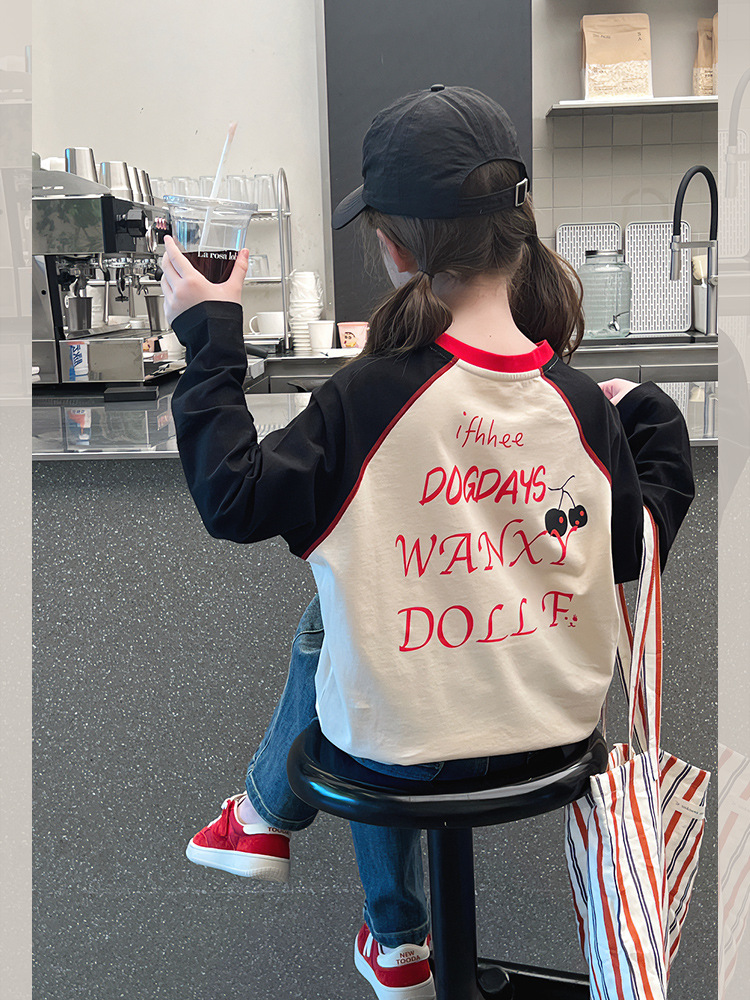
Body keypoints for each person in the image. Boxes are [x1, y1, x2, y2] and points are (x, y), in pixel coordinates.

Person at [161, 86, 694, 1000]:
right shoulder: (576, 405)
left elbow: (232, 497)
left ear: (394, 248)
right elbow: (630, 550)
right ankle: (346, 894)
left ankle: (368, 910)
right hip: (555, 737)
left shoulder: (366, 398)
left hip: (400, 747)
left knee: (350, 622)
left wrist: (208, 336)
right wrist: (648, 414)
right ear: (519, 228)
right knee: (352, 622)